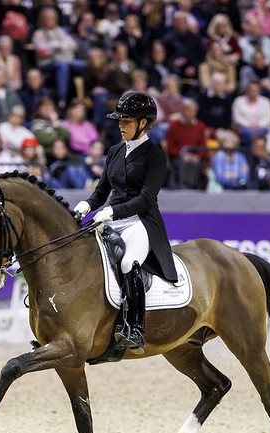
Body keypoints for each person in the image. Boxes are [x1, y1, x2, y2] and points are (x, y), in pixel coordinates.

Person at [72, 92, 177, 360]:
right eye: (119, 120)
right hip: (111, 220)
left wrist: (113, 211)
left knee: (129, 263)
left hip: (139, 222)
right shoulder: (115, 151)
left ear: (143, 123)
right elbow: (101, 191)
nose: (121, 125)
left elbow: (146, 199)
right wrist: (87, 205)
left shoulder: (155, 156)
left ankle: (135, 328)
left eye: (127, 121)